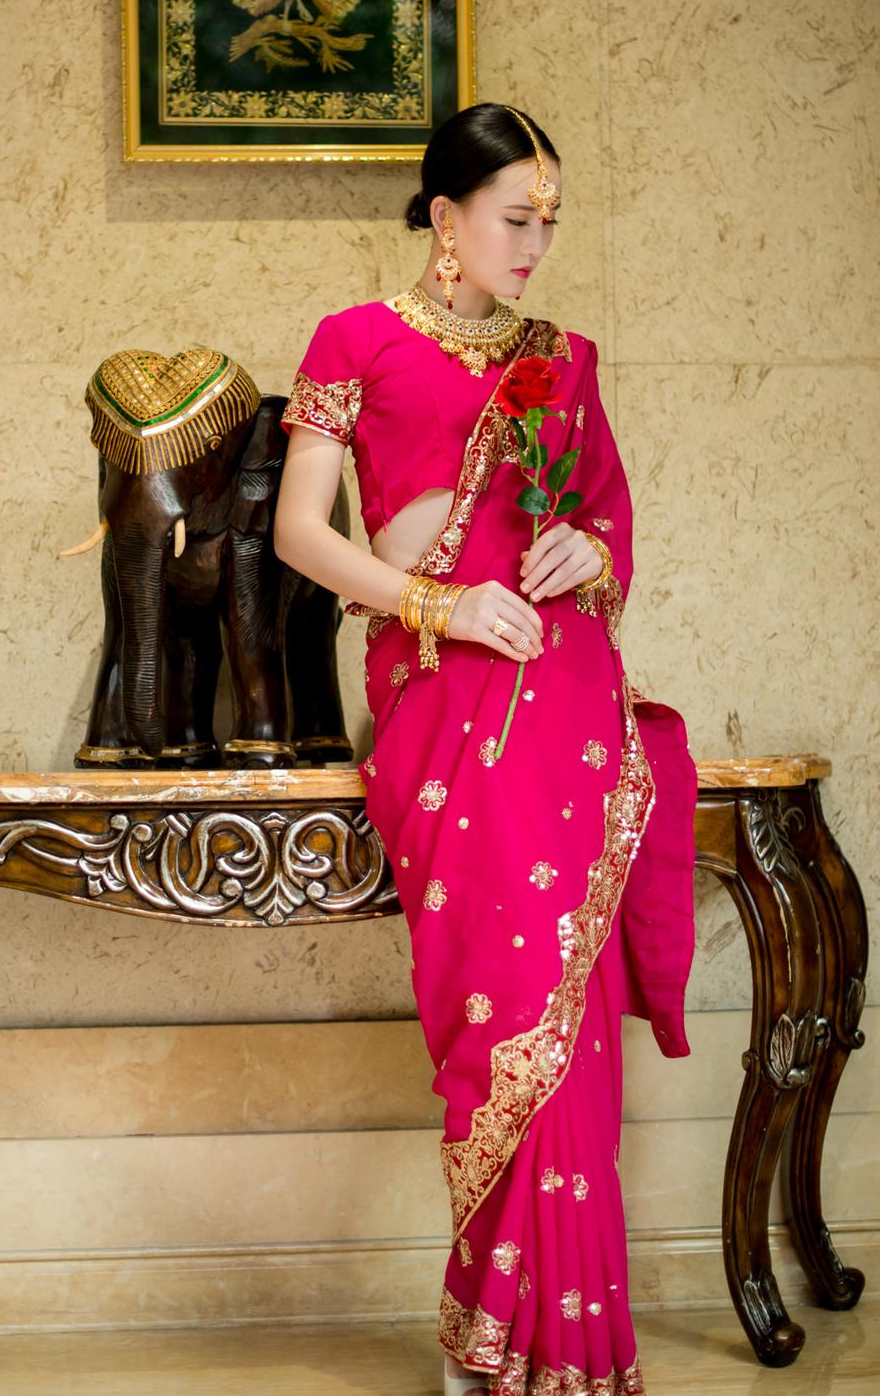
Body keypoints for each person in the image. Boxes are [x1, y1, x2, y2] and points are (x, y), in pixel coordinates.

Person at [272, 103, 697, 1395]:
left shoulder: (565, 359)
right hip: (438, 687)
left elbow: (609, 523)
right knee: (501, 1007)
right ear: (447, 218)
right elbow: (301, 534)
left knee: (568, 1020)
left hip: (562, 692)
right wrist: (438, 605)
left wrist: (585, 549)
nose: (535, 245)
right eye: (516, 218)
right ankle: (500, 1327)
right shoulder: (355, 340)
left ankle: (548, 1344)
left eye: (549, 224)